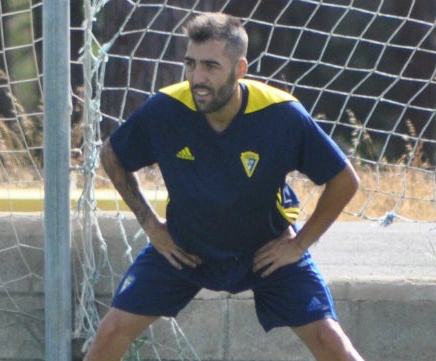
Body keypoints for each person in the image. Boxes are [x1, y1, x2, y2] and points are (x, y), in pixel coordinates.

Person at [84, 12, 365, 361]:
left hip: (267, 254)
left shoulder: (281, 115)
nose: (197, 78)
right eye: (190, 64)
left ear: (240, 68)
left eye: (211, 67)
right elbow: (112, 156)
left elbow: (344, 181)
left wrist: (300, 244)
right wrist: (152, 226)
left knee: (331, 343)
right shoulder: (166, 109)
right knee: (110, 333)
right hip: (185, 248)